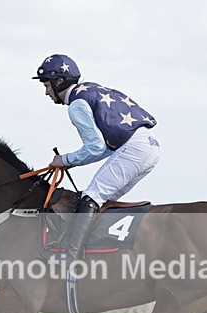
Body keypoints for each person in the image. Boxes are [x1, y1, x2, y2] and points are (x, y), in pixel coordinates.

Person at [33, 54, 161, 265]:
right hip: (149, 146)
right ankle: (103, 251)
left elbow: (95, 148)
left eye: (47, 85)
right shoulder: (91, 89)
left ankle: (71, 258)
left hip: (135, 148)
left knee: (91, 196)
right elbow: (105, 148)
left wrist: (64, 160)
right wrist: (69, 161)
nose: (46, 92)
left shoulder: (76, 105)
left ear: (59, 81)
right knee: (100, 201)